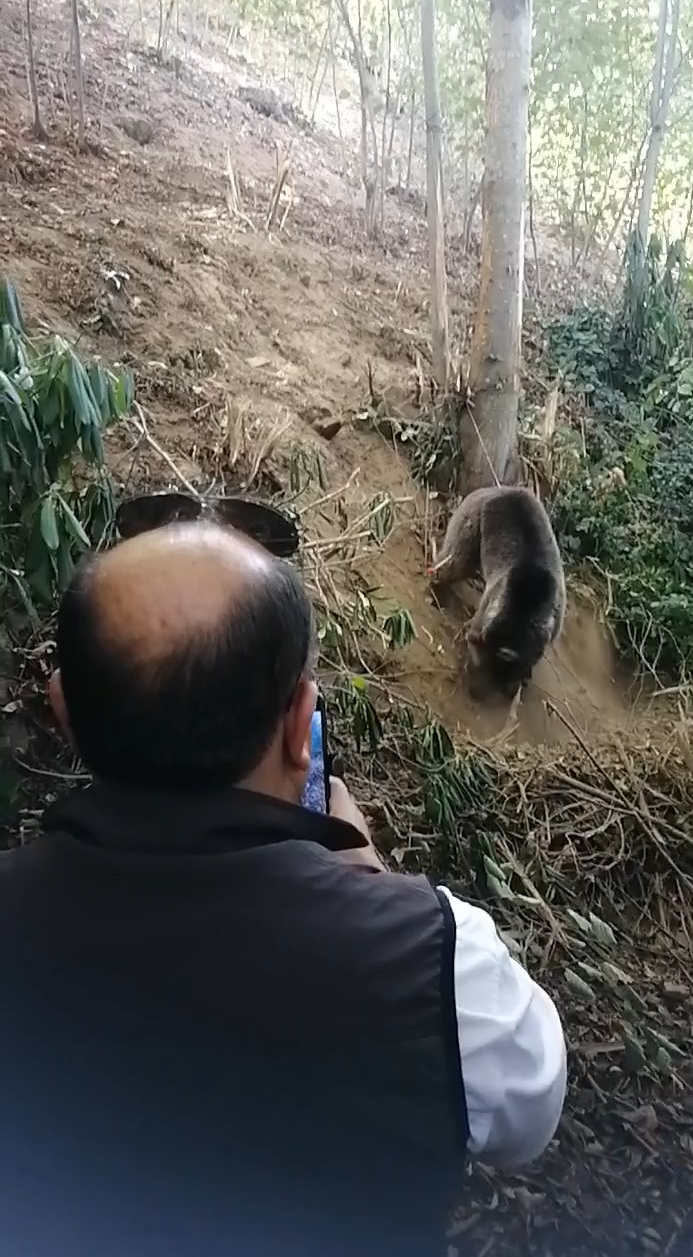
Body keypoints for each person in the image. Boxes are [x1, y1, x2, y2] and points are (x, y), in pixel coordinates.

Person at [0, 519, 566, 1257]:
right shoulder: (441, 968)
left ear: (63, 709)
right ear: (304, 726)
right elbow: (532, 1115)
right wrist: (367, 878)